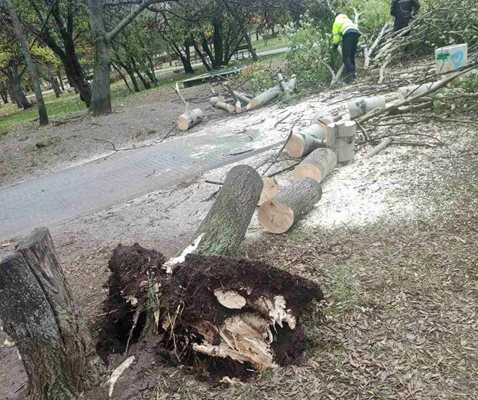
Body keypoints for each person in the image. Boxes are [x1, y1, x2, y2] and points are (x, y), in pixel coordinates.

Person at [332, 14, 361, 84]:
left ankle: (350, 78)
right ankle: (354, 76)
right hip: (356, 33)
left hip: (348, 34)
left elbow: (336, 38)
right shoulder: (347, 19)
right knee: (352, 55)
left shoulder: (336, 22)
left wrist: (334, 46)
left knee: (346, 56)